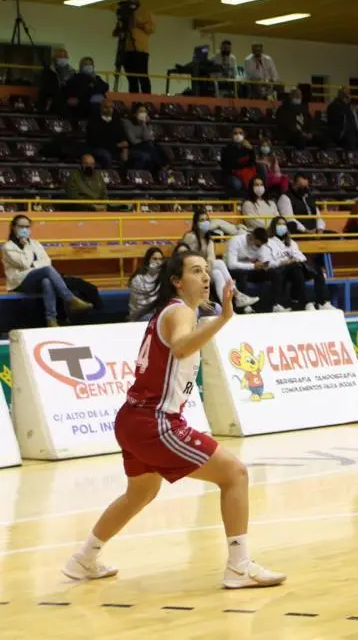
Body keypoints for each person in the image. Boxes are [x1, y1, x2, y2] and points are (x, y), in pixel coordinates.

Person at [61, 252, 285, 588]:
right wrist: (224, 318)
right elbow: (180, 348)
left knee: (140, 494)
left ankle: (84, 559)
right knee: (235, 474)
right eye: (196, 271)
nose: (205, 277)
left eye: (206, 270)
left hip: (132, 419)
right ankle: (239, 566)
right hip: (155, 421)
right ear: (177, 281)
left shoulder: (172, 311)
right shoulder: (181, 311)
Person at [3, 214, 92, 327]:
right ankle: (70, 299)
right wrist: (26, 247)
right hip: (19, 282)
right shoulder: (8, 247)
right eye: (21, 226)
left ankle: (51, 319)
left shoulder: (35, 243)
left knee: (47, 281)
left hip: (36, 279)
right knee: (47, 271)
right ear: (13, 227)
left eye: (27, 227)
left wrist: (33, 265)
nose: (24, 229)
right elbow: (24, 264)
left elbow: (47, 261)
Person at [179, 210, 258, 312]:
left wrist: (206, 269)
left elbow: (211, 257)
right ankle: (237, 294)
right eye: (202, 220)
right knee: (219, 263)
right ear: (196, 223)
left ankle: (227, 309)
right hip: (192, 270)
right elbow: (184, 256)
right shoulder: (190, 237)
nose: (205, 222)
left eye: (207, 220)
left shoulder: (209, 238)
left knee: (217, 273)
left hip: (205, 270)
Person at [264, 216, 335, 311]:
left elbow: (301, 256)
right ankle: (305, 302)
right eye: (279, 224)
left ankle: (321, 302)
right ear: (273, 226)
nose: (282, 226)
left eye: (284, 224)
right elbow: (269, 260)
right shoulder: (268, 242)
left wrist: (295, 259)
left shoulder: (291, 242)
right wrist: (285, 261)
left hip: (295, 267)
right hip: (281, 269)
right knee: (296, 268)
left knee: (317, 269)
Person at [114, 0, 155, 95]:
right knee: (131, 78)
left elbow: (152, 29)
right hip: (127, 49)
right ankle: (134, 99)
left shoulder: (145, 12)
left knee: (142, 77)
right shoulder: (124, 12)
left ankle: (147, 99)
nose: (131, 1)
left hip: (140, 49)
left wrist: (137, 23)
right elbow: (117, 30)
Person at [127, 246, 164, 320]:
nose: (158, 262)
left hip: (157, 312)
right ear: (147, 260)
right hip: (140, 314)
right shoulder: (138, 279)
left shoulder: (163, 277)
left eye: (160, 259)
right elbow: (141, 306)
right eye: (155, 259)